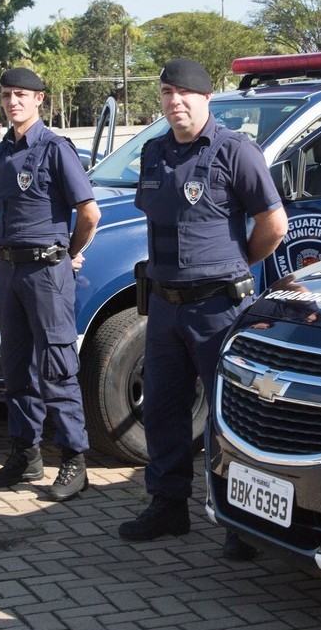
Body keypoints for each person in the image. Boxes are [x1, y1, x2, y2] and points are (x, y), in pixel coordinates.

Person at [117, 58, 287, 560]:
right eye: (167, 93)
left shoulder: (235, 151)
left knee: (228, 416)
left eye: (184, 93)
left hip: (219, 308)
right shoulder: (154, 153)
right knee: (164, 412)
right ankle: (168, 506)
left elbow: (273, 224)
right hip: (165, 308)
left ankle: (240, 522)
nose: (174, 102)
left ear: (207, 98)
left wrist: (237, 264)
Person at [0, 67, 100, 502]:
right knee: (16, 366)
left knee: (56, 365)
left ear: (39, 100)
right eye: (7, 94)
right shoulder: (3, 152)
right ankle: (25, 454)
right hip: (11, 270)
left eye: (22, 95)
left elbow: (89, 212)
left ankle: (73, 460)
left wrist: (69, 251)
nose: (13, 101)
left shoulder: (54, 149)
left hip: (47, 272)